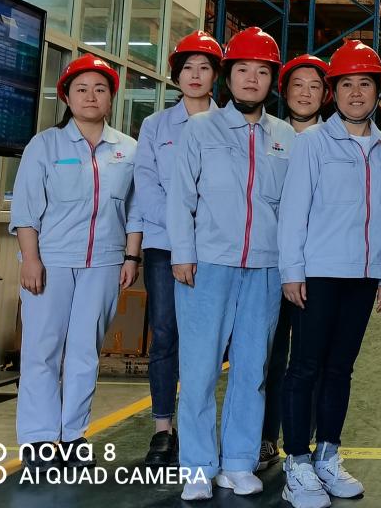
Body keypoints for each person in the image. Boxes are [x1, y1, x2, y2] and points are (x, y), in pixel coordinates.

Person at [167, 27, 294, 501]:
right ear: (228, 76)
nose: (251, 79)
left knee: (252, 369)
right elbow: (180, 197)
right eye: (242, 69)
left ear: (272, 81)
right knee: (199, 369)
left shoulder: (285, 137)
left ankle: (239, 461)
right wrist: (183, 253)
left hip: (265, 268)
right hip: (208, 266)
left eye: (262, 72)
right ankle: (198, 466)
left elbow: (292, 208)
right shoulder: (200, 129)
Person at [277, 40, 381, 508]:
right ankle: (296, 462)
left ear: (377, 92)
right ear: (334, 92)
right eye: (346, 84)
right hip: (318, 273)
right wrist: (292, 270)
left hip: (364, 276)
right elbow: (294, 211)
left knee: (340, 368)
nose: (355, 93)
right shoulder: (312, 144)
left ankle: (327, 454)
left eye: (364, 84)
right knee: (304, 367)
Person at [11, 53, 140, 470]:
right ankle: (39, 438)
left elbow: (136, 210)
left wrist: (130, 256)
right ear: (67, 96)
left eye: (100, 89)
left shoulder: (128, 150)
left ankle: (72, 436)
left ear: (111, 98)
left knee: (85, 352)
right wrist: (31, 259)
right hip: (50, 262)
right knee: (42, 349)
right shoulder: (45, 145)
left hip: (104, 263)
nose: (91, 96)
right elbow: (26, 210)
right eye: (81, 89)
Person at [132, 30, 222, 468]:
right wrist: (182, 227)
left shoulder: (229, 126)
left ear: (216, 76)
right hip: (164, 246)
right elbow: (147, 187)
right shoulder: (155, 127)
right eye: (188, 68)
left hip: (213, 248)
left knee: (206, 340)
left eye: (204, 67)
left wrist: (203, 229)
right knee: (165, 333)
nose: (196, 75)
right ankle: (163, 429)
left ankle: (196, 425)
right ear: (177, 75)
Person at [260, 53, 331, 471]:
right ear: (283, 90)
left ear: (325, 95)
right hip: (270, 262)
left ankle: (306, 441)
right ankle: (267, 438)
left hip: (316, 265)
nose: (305, 93)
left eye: (314, 86)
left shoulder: (332, 138)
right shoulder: (267, 135)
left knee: (312, 356)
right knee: (270, 355)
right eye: (297, 85)